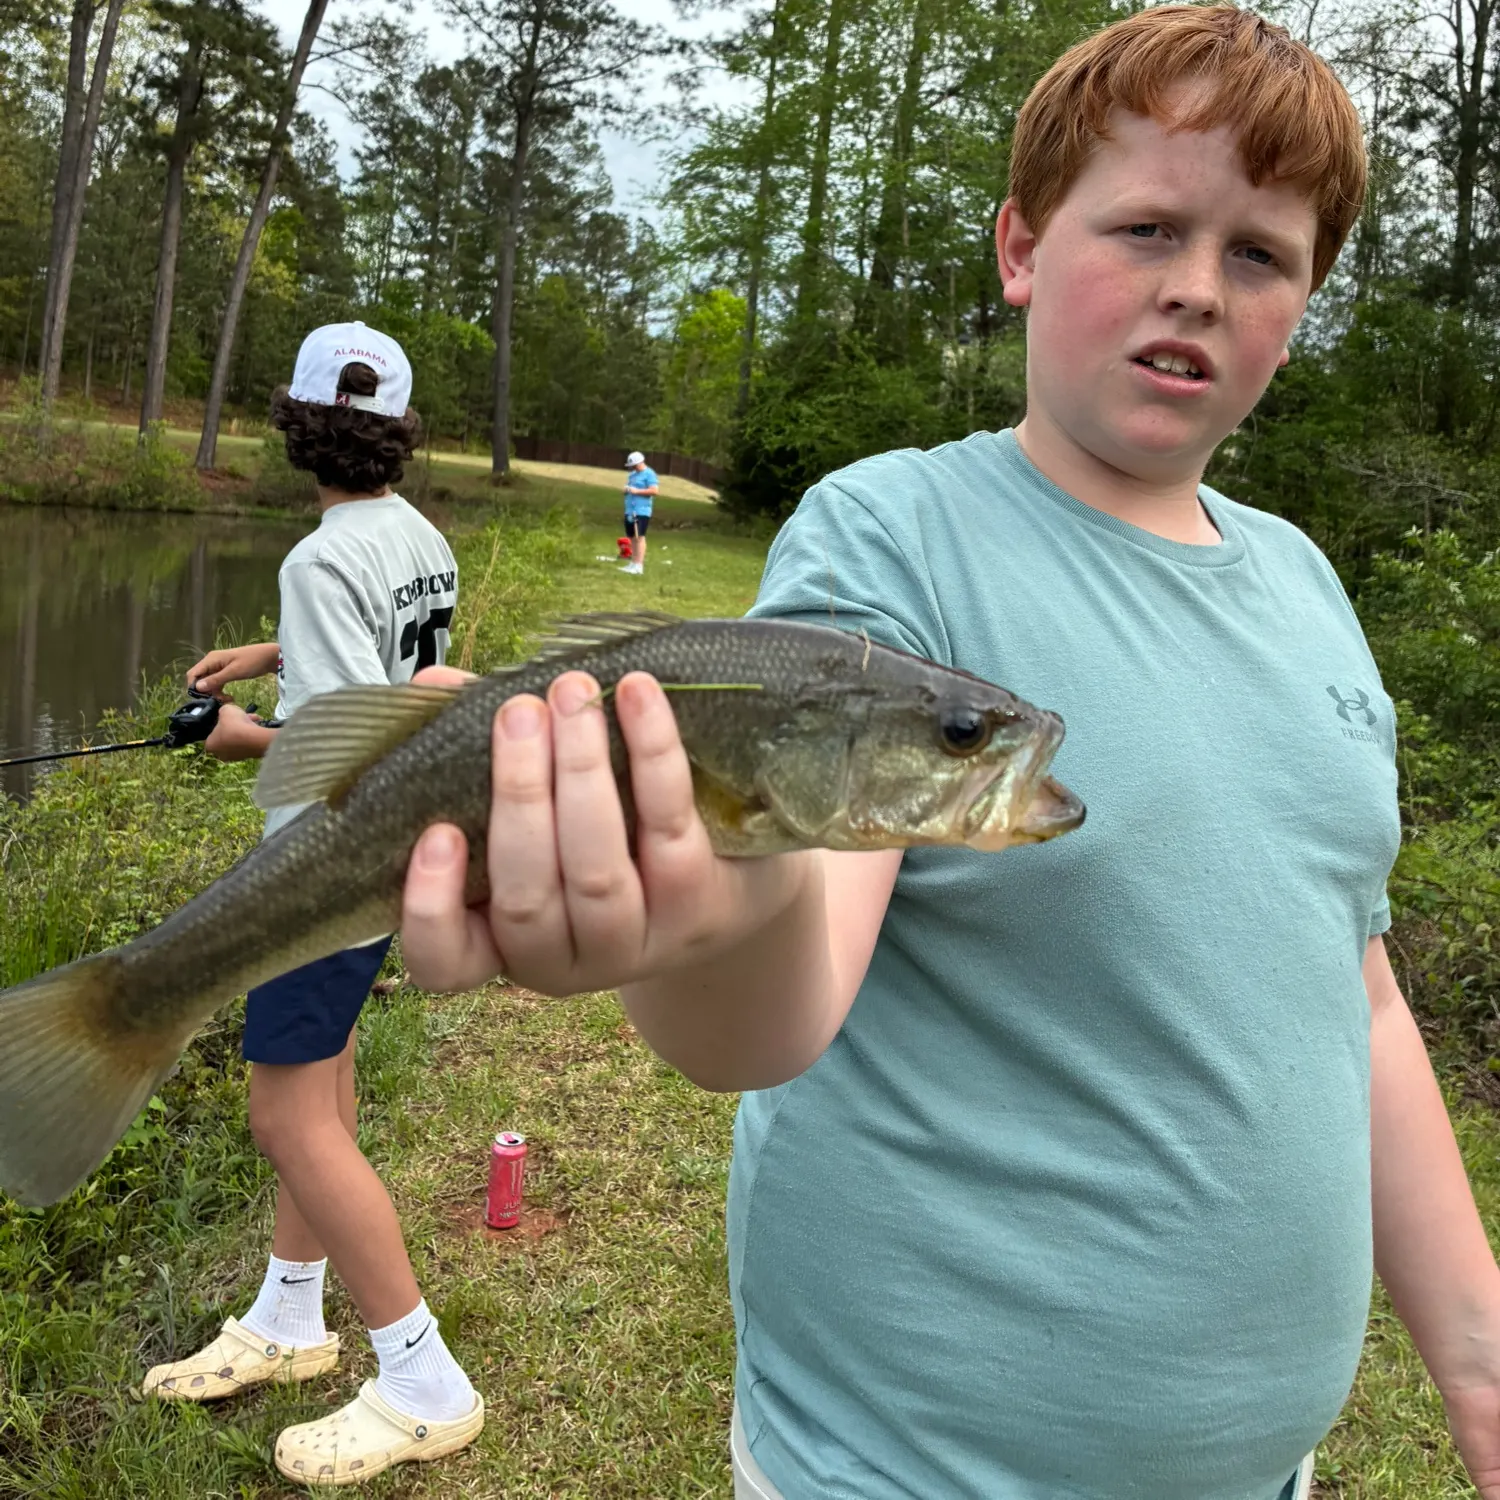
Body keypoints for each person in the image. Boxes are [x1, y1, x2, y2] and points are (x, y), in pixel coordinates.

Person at [394, 10, 1500, 1500]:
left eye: (1260, 255)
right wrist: (702, 919)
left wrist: (1481, 1360)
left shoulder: (1309, 584)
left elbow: (1354, 994)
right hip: (903, 1471)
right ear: (1022, 250)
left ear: (1302, 306)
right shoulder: (892, 535)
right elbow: (769, 1005)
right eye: (1149, 225)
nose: (1196, 286)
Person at [142, 322, 483, 1488]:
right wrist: (267, 652)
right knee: (321, 1087)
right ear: (395, 431)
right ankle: (291, 1318)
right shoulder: (417, 535)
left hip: (325, 868)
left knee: (286, 1119)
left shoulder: (317, 556)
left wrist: (237, 739)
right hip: (399, 856)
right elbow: (389, 668)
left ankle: (422, 1378)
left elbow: (343, 749)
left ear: (293, 426)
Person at [621, 450, 659, 574]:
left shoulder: (649, 474)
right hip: (630, 510)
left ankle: (639, 565)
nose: (632, 468)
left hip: (641, 511)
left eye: (633, 466)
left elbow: (654, 491)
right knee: (631, 536)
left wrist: (637, 491)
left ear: (639, 463)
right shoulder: (632, 475)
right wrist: (626, 490)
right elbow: (630, 488)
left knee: (639, 536)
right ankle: (633, 563)